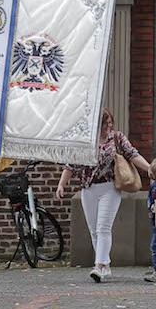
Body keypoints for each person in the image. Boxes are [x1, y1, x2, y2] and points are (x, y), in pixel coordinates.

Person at [57, 108, 148, 282]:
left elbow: (133, 154)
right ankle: (105, 266)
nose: (109, 127)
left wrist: (149, 168)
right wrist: (62, 184)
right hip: (88, 188)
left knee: (103, 227)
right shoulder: (85, 140)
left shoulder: (117, 138)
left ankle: (99, 265)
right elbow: (71, 164)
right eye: (105, 124)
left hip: (110, 187)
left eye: (110, 123)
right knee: (94, 230)